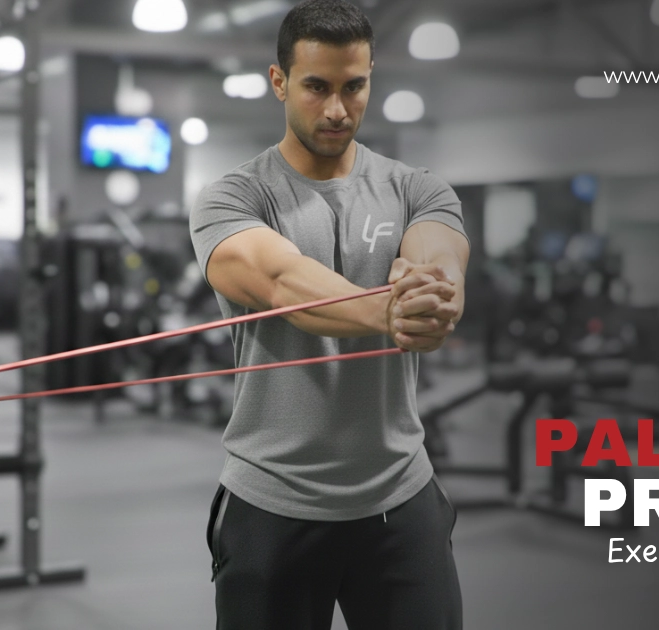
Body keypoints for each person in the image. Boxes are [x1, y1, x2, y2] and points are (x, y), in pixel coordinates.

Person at [188, 1, 469, 628]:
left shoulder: (417, 188)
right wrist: (389, 310)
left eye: (354, 86)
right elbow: (284, 282)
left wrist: (436, 294)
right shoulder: (235, 196)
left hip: (400, 499)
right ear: (280, 81)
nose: (337, 109)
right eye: (317, 87)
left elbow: (441, 257)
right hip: (272, 503)